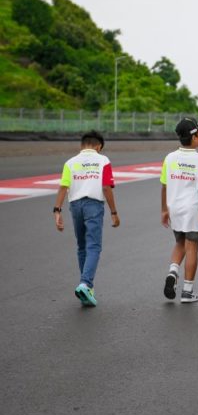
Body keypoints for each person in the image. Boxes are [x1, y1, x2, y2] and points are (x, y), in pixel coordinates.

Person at [52, 130, 120, 306]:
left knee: (82, 247)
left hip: (75, 206)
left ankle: (87, 289)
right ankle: (85, 284)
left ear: (82, 145)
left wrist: (57, 211)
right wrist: (113, 212)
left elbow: (63, 187)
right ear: (99, 147)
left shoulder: (70, 162)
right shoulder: (103, 160)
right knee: (94, 246)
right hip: (94, 205)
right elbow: (106, 187)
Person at [161, 118, 198, 304]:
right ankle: (187, 291)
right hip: (193, 209)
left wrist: (164, 210)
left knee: (180, 242)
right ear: (194, 137)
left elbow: (164, 186)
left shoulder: (169, 158)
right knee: (192, 248)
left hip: (174, 208)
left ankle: (173, 271)